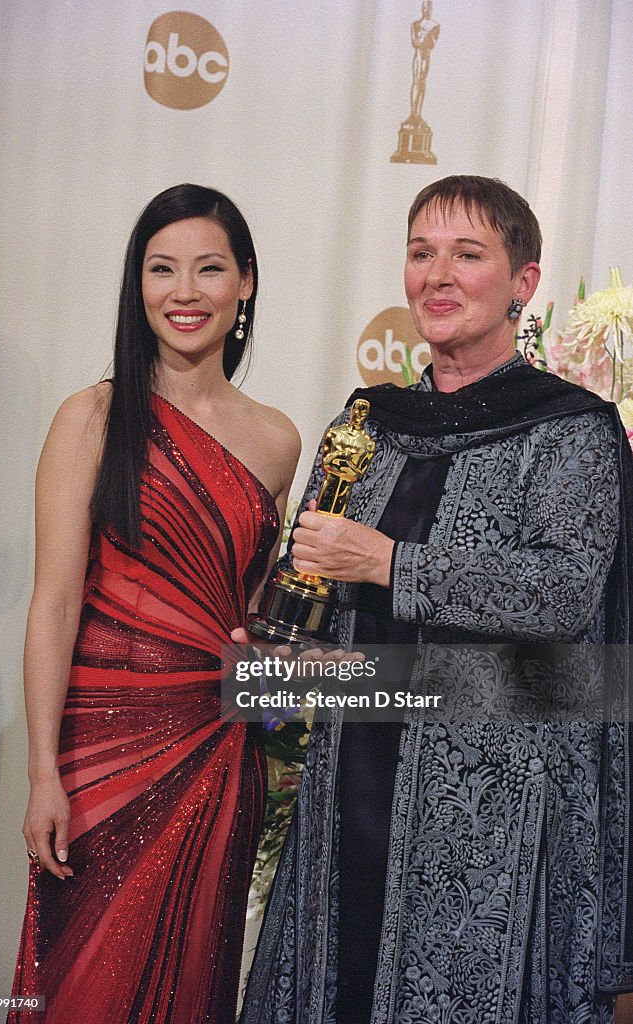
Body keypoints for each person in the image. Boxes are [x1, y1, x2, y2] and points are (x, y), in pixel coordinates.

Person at [239, 176, 633, 1023]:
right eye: (421, 253)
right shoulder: (368, 424)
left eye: (467, 254)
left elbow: (560, 596)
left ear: (523, 283)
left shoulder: (571, 431)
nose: (437, 275)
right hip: (351, 780)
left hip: (490, 813)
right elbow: (317, 589)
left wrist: (390, 562)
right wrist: (284, 650)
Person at [8, 183, 300, 1024]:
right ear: (138, 287)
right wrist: (40, 775)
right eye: (161, 269)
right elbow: (55, 604)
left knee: (190, 986)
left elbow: (246, 615)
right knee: (78, 988)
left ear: (243, 282)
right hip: (97, 758)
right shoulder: (92, 417)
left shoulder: (278, 440)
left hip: (216, 756)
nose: (184, 291)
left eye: (208, 269)